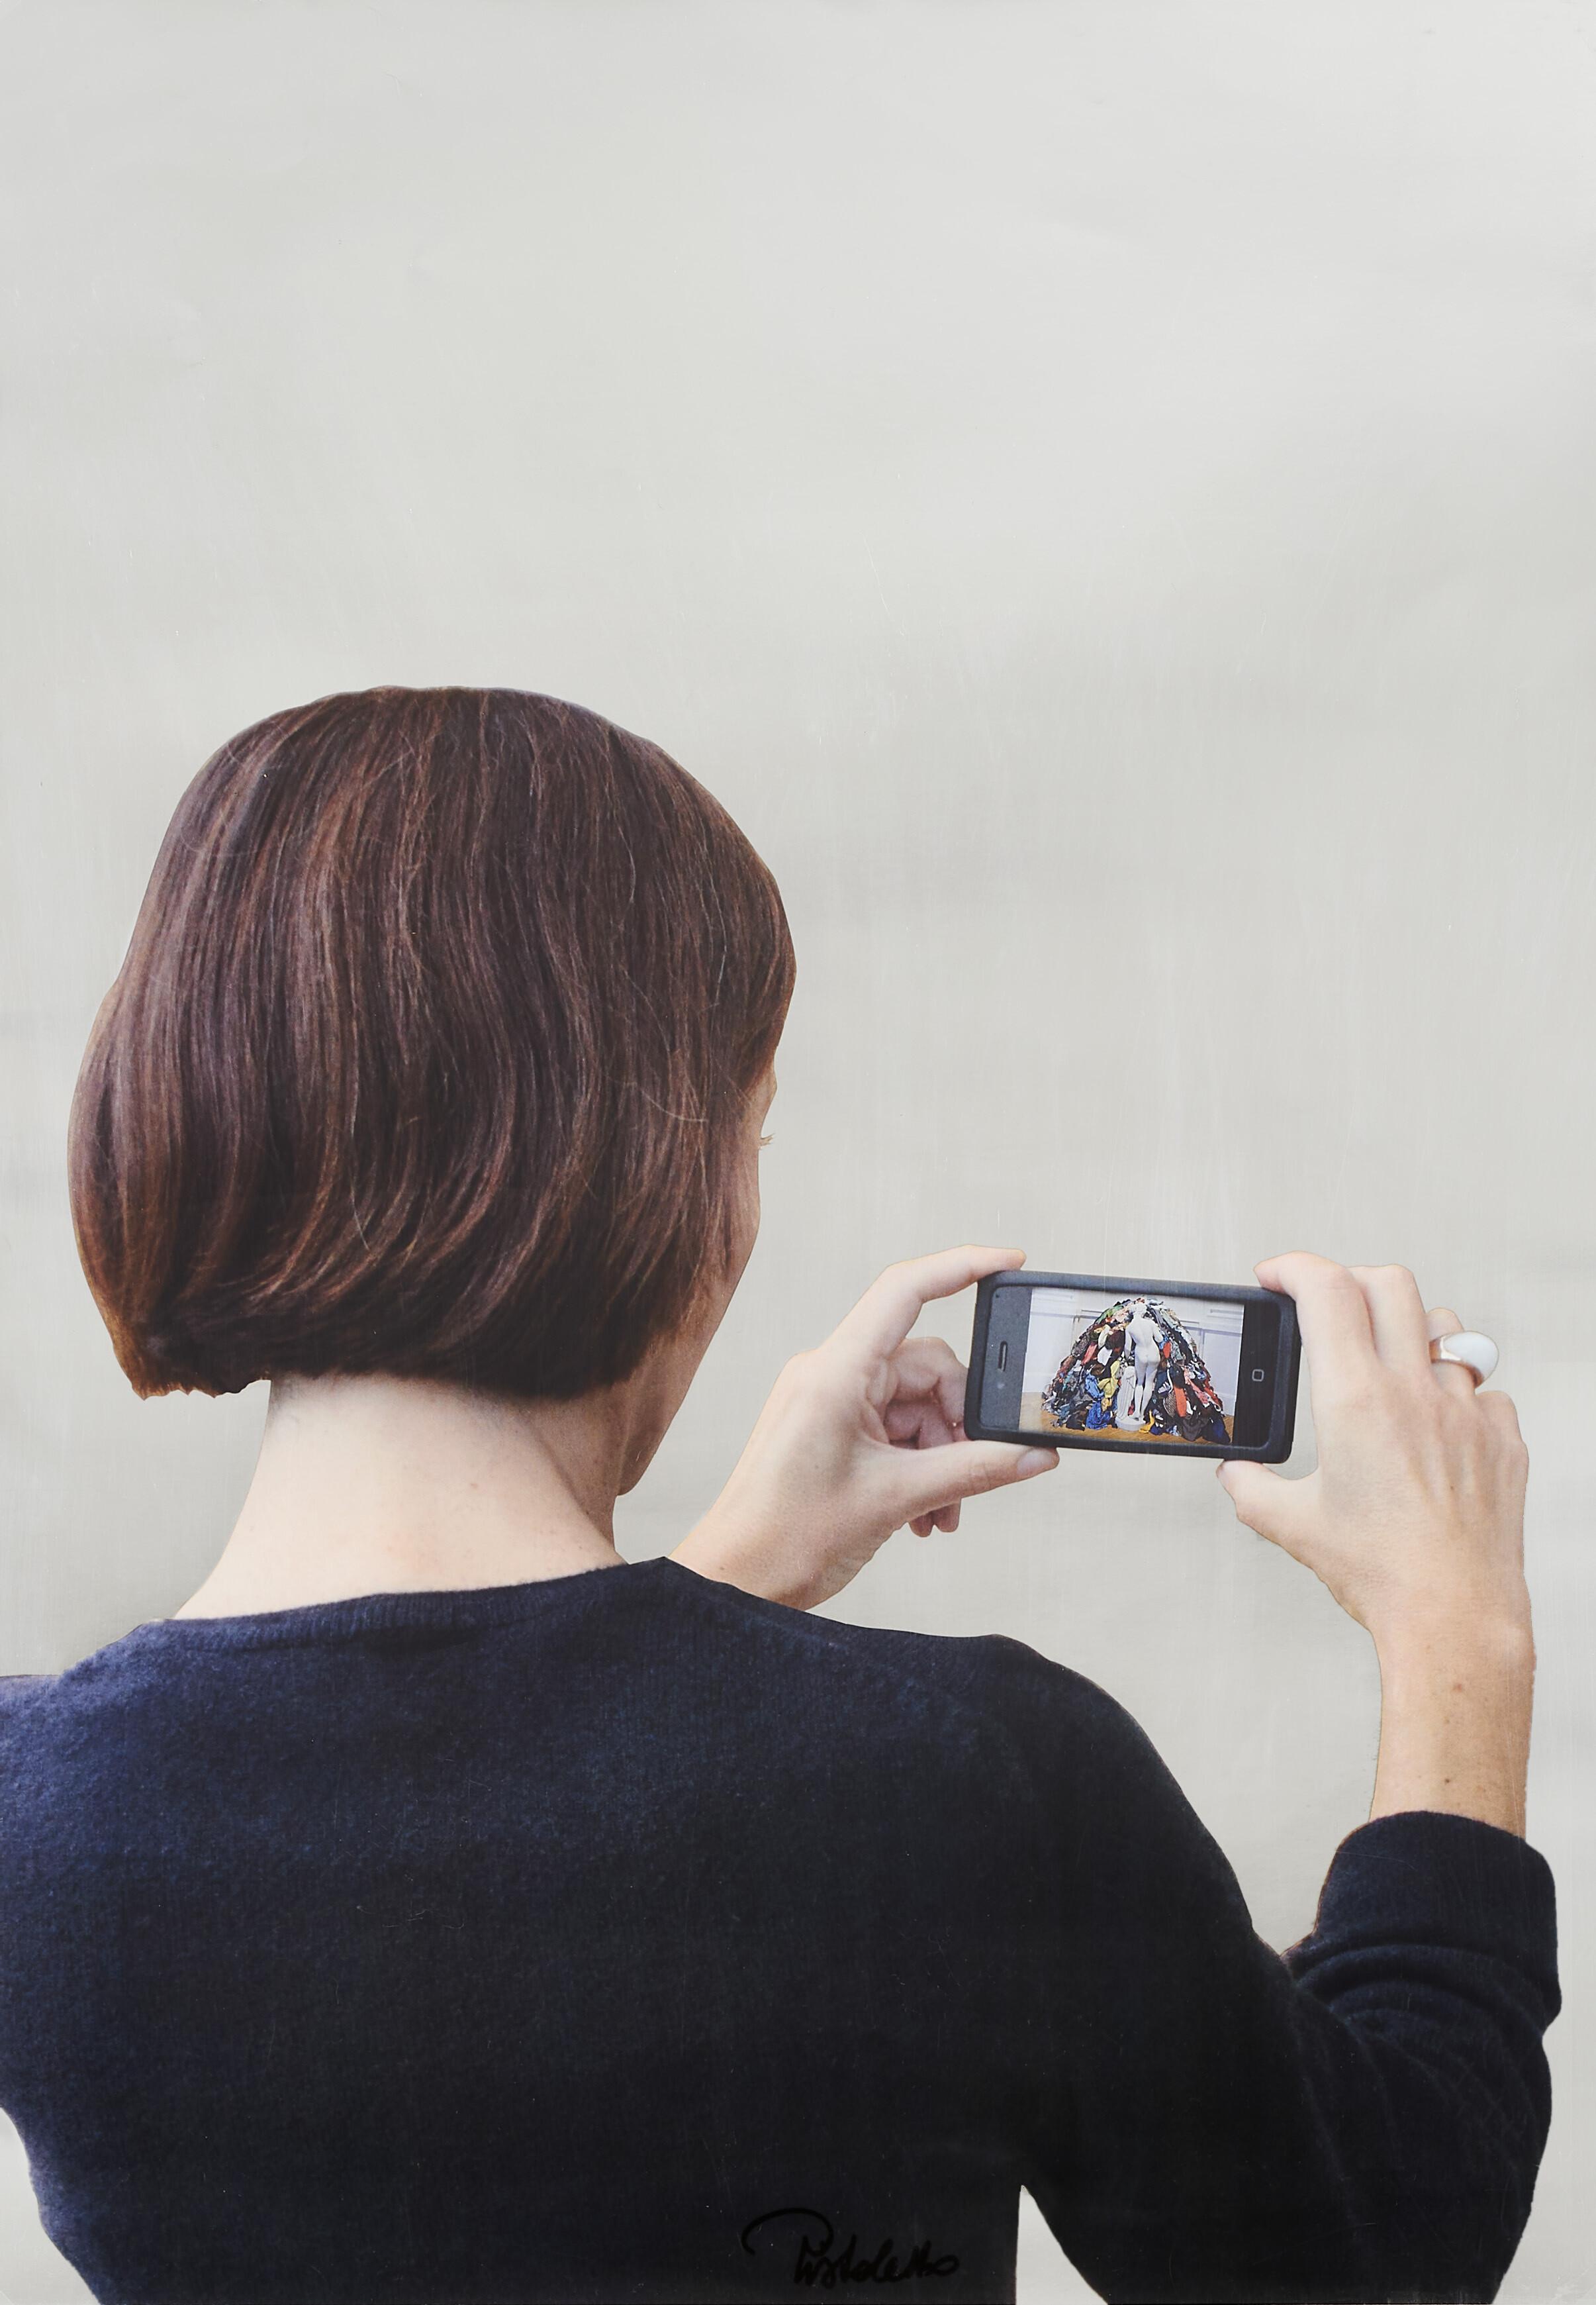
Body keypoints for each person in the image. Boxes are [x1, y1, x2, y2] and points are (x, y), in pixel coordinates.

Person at [0, 686, 1555, 2305]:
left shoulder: (36, 1822)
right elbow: (1382, 2250)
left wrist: (720, 1588)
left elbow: (453, 1901)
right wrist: (1460, 1628)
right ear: (669, 1182)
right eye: (746, 1132)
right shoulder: (974, 1782)